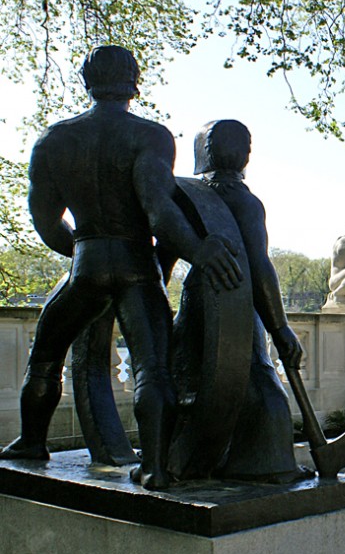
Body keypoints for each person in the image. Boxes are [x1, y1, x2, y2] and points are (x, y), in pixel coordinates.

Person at [0, 46, 242, 490]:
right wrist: (198, 250)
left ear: (88, 81)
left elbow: (44, 219)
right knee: (153, 368)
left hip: (87, 265)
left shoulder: (53, 140)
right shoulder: (150, 136)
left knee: (45, 360)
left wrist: (81, 250)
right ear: (134, 82)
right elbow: (157, 210)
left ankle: (31, 443)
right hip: (135, 266)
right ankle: (154, 467)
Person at [168, 119, 308, 482]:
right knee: (262, 388)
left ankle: (185, 460)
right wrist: (280, 329)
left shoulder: (181, 196)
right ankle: (270, 465)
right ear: (245, 155)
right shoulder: (246, 202)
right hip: (238, 303)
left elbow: (160, 262)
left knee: (189, 381)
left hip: (197, 302)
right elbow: (260, 267)